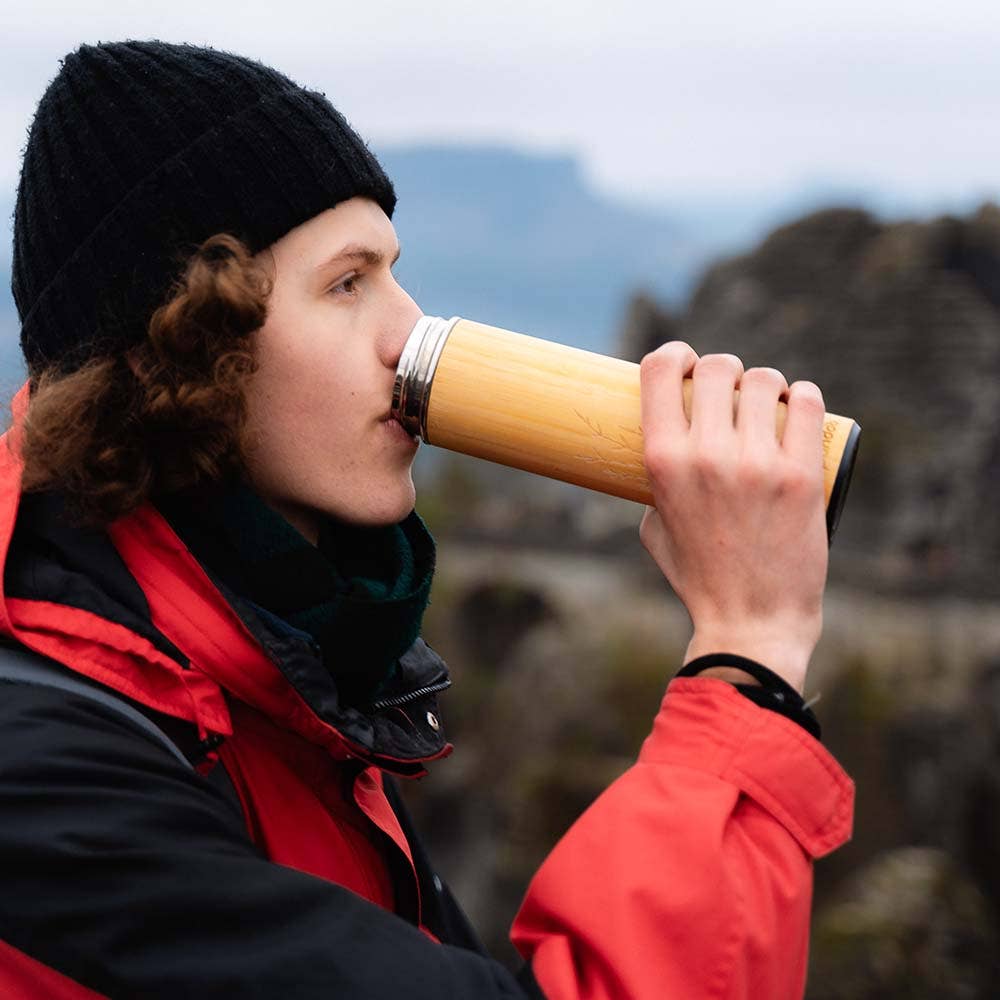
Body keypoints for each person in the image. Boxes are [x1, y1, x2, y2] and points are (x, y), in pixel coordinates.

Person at [0, 40, 853, 1000]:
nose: (411, 331)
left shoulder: (280, 666)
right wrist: (747, 647)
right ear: (179, 354)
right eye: (347, 283)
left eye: (393, 271)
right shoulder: (50, 782)